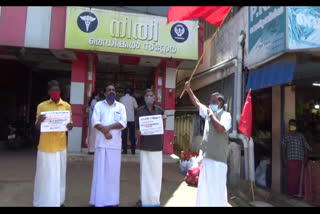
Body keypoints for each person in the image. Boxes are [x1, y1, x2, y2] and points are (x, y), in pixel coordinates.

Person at [184, 81, 231, 207]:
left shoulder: (226, 116)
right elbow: (197, 103)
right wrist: (189, 90)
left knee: (217, 192)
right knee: (204, 191)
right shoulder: (209, 113)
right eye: (210, 102)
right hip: (207, 158)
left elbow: (220, 129)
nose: (210, 104)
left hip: (219, 162)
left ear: (220, 103)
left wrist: (211, 115)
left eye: (213, 102)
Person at [33, 80, 73, 207]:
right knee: (44, 175)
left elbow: (69, 125)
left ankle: (59, 201)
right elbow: (37, 127)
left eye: (57, 90)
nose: (55, 92)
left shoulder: (66, 106)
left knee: (60, 175)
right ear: (49, 92)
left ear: (60, 91)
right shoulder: (42, 106)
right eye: (53, 90)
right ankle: (42, 201)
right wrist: (39, 121)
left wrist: (70, 125)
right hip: (45, 147)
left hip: (60, 146)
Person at [89, 84, 127, 207]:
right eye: (109, 90)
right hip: (101, 145)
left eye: (113, 90)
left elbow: (123, 123)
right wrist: (105, 132)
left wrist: (108, 128)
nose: (111, 92)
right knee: (99, 174)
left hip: (115, 146)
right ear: (104, 93)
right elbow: (95, 121)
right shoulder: (99, 105)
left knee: (113, 175)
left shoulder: (120, 106)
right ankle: (97, 201)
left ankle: (112, 201)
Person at [136, 89, 167, 207]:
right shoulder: (139, 111)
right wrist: (138, 132)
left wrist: (164, 121)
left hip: (156, 147)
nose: (149, 97)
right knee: (145, 174)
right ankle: (144, 200)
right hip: (144, 146)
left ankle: (154, 200)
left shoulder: (159, 110)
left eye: (151, 95)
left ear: (154, 98)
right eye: (147, 95)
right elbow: (137, 129)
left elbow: (162, 129)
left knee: (156, 175)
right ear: (144, 98)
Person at [281, 119, 312, 198]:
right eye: (291, 125)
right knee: (291, 178)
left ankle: (299, 194)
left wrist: (306, 157)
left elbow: (306, 147)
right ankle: (290, 195)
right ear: (289, 126)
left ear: (296, 126)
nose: (292, 126)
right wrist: (284, 160)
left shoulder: (301, 136)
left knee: (300, 178)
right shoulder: (286, 136)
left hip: (300, 160)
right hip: (290, 160)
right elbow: (283, 149)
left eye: (294, 125)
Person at [120, 88, 138, 155]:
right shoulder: (133, 99)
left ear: (124, 92)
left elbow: (119, 108)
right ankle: (133, 150)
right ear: (130, 93)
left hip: (124, 119)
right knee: (132, 136)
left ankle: (124, 150)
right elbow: (136, 108)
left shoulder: (121, 99)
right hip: (131, 119)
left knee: (124, 135)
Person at [87, 90, 103, 155]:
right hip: (93, 121)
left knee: (93, 135)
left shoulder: (94, 101)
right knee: (92, 136)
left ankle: (92, 149)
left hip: (94, 121)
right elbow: (97, 110)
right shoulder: (94, 101)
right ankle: (91, 150)